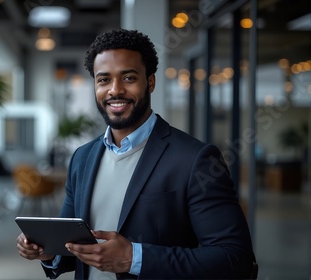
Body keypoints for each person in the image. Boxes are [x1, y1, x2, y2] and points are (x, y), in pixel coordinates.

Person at [16, 29, 257, 279]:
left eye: (128, 78)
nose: (115, 90)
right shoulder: (82, 158)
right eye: (104, 80)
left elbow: (235, 259)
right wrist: (46, 251)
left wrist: (133, 258)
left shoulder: (196, 160)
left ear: (150, 82)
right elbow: (70, 247)